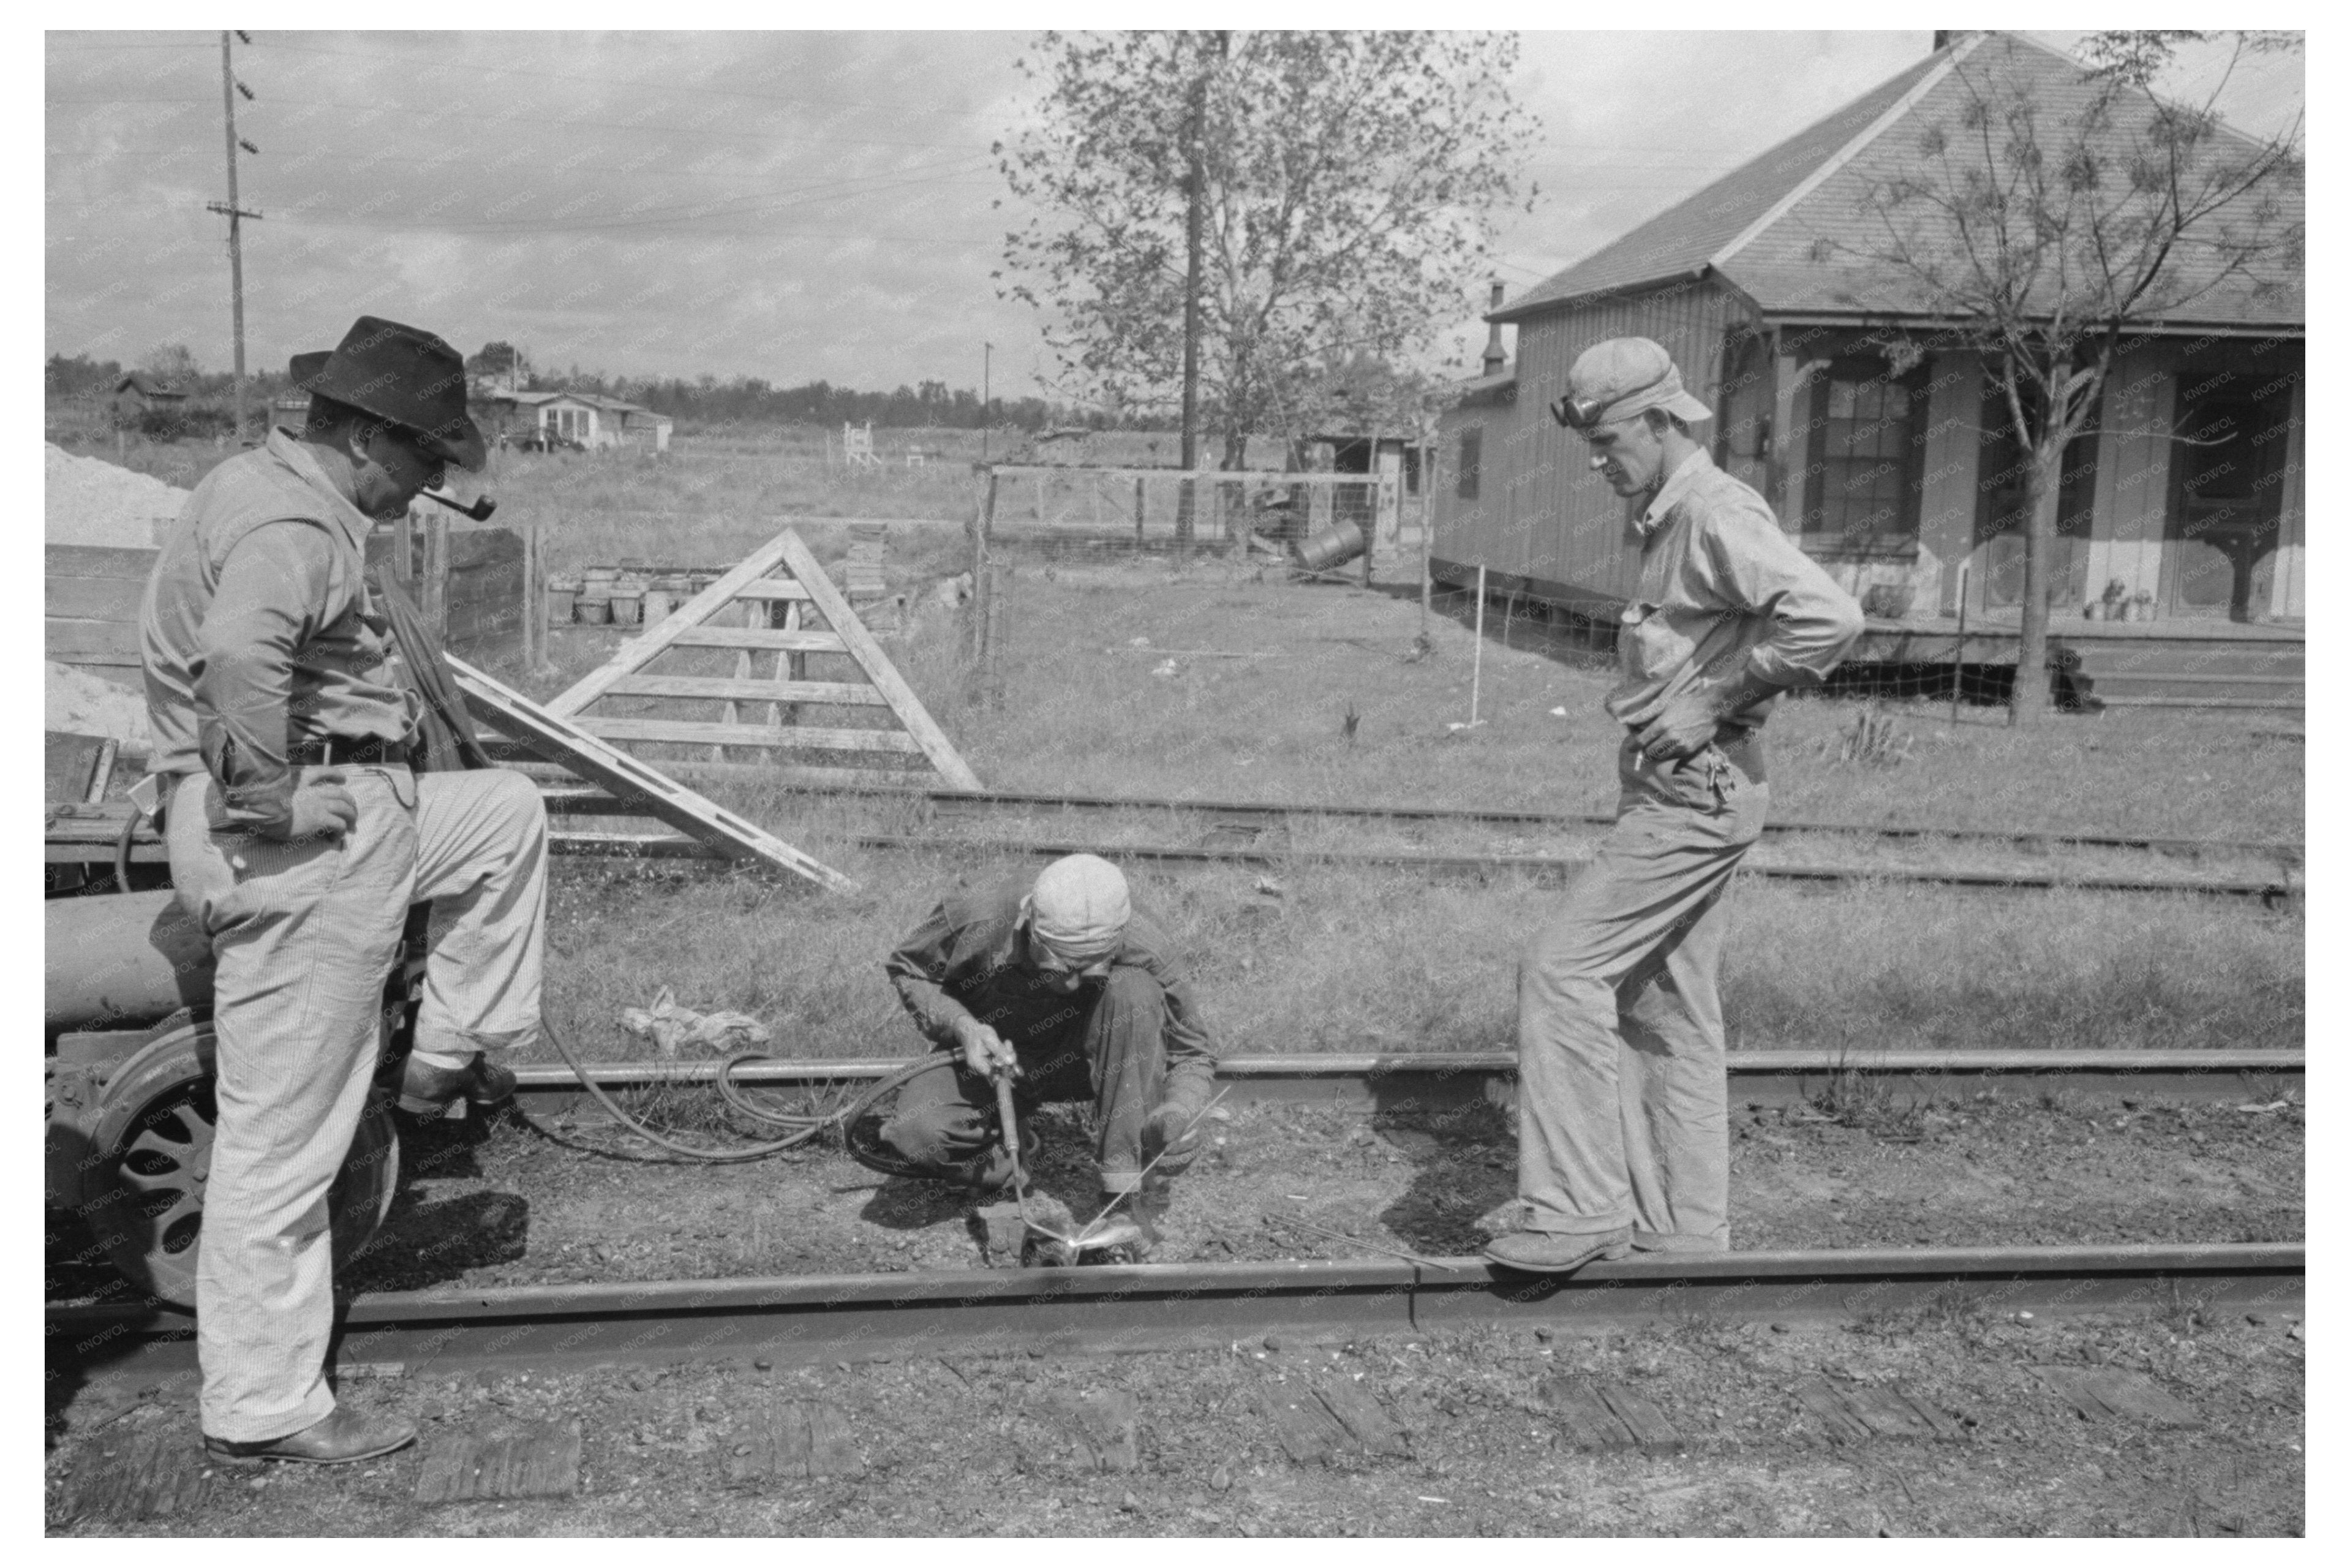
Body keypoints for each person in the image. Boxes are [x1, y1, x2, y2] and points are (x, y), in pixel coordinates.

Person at [141, 315, 551, 1464]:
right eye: (427, 458)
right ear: (369, 437)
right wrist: (266, 801)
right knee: (285, 1139)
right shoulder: (290, 525)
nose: (431, 484)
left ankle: (441, 1057)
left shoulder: (264, 489)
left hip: (362, 814)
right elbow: (237, 654)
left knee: (505, 813)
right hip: (305, 844)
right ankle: (262, 1409)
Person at [1486, 337, 1864, 1275]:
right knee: (1667, 1010)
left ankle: (1576, 1207)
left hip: (1693, 798)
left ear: (1661, 421)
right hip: (1690, 791)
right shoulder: (1670, 515)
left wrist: (1714, 696)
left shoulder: (1709, 511)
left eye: (1609, 436)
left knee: (1561, 972)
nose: (1597, 457)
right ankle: (1681, 1229)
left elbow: (1831, 616)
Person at [878, 854, 1219, 1242]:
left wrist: (1178, 1111)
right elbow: (908, 969)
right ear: (1029, 923)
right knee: (916, 1136)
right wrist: (964, 1028)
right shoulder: (978, 914)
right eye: (1059, 966)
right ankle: (1010, 1156)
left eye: (1091, 969)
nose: (1073, 984)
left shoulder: (1147, 942)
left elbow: (1193, 1053)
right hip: (993, 1061)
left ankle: (1122, 1195)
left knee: (1134, 991)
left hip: (1089, 1062)